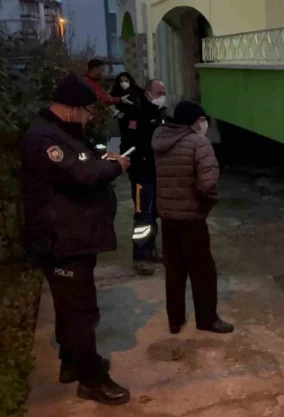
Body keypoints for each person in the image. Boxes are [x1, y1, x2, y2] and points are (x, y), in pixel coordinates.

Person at [20, 73, 132, 406]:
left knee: (69, 308)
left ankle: (71, 363)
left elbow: (82, 164)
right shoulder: (45, 140)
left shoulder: (60, 132)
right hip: (61, 241)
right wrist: (115, 167)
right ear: (71, 109)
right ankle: (92, 381)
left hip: (72, 237)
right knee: (81, 312)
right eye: (87, 111)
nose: (89, 118)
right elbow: (82, 173)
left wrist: (102, 162)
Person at [151, 100, 234, 335]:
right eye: (202, 119)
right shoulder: (199, 143)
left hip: (168, 217)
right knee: (203, 271)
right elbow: (207, 183)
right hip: (191, 219)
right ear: (193, 120)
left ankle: (175, 320)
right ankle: (207, 319)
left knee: (174, 271)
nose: (204, 124)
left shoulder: (160, 140)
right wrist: (208, 202)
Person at [119, 79, 168, 276]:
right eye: (159, 93)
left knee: (154, 213)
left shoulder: (161, 113)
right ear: (148, 92)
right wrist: (135, 167)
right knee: (143, 217)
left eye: (164, 93)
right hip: (142, 174)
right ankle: (140, 257)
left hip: (157, 173)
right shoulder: (136, 113)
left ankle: (151, 250)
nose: (162, 96)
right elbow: (130, 145)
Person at [110, 72, 143, 144]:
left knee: (134, 136)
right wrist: (117, 113)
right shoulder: (115, 93)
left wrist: (132, 104)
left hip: (135, 118)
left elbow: (143, 104)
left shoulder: (138, 91)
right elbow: (110, 105)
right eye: (121, 81)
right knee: (125, 138)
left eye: (126, 81)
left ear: (130, 81)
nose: (123, 83)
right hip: (123, 119)